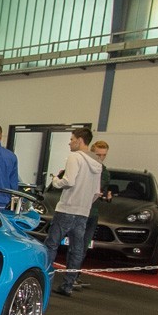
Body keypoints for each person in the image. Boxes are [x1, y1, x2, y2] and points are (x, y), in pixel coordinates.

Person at [43, 127, 103, 296]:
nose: (69, 143)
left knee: (52, 244)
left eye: (71, 139)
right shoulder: (98, 164)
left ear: (80, 140)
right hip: (83, 212)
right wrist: (85, 204)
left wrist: (56, 180)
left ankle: (44, 280)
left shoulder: (75, 157)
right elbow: (96, 192)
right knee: (77, 249)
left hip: (66, 209)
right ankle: (68, 285)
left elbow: (69, 181)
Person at [73, 140, 112, 290]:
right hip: (77, 211)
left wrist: (105, 195)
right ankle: (70, 277)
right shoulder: (84, 166)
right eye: (98, 154)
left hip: (91, 213)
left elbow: (99, 190)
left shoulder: (104, 172)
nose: (101, 158)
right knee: (75, 246)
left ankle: (74, 276)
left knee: (82, 246)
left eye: (104, 155)